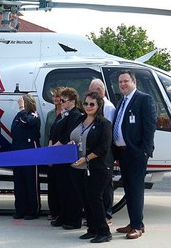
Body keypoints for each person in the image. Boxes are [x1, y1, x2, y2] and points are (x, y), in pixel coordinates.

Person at [112, 70, 156, 240]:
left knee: (136, 190)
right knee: (129, 190)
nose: (122, 84)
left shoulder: (144, 99)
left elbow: (149, 127)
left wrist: (144, 150)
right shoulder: (122, 101)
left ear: (134, 81)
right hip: (123, 153)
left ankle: (137, 226)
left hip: (136, 153)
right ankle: (135, 222)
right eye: (120, 81)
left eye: (125, 81)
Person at [69, 92, 114, 243]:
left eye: (92, 104)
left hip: (97, 167)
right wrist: (71, 145)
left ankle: (104, 232)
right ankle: (92, 229)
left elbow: (104, 147)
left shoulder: (104, 124)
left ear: (99, 105)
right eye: (86, 103)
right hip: (79, 167)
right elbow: (74, 137)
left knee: (95, 199)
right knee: (85, 199)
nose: (88, 106)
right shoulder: (79, 119)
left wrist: (86, 158)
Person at [49, 87, 84, 230]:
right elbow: (54, 131)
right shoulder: (63, 114)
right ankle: (63, 215)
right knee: (61, 188)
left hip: (67, 156)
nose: (61, 102)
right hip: (59, 156)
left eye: (64, 100)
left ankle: (73, 219)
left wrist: (55, 146)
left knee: (71, 189)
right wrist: (51, 143)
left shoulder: (75, 115)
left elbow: (69, 134)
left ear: (73, 101)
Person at [88, 78, 116, 223]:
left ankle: (107, 214)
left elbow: (108, 133)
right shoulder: (98, 107)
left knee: (106, 184)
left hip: (105, 152)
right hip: (95, 152)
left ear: (98, 91)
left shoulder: (108, 108)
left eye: (91, 91)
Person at [10, 94, 41, 220]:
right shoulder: (19, 116)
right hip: (18, 151)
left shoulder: (34, 115)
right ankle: (20, 209)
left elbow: (29, 121)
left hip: (30, 151)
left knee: (30, 181)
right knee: (19, 182)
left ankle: (33, 210)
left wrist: (22, 108)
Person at [43, 86, 65, 221]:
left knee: (63, 183)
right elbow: (47, 134)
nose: (55, 99)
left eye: (58, 96)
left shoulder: (67, 113)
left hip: (63, 150)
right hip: (52, 149)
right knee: (52, 183)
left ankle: (63, 211)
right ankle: (53, 210)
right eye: (54, 96)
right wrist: (47, 153)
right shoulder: (50, 114)